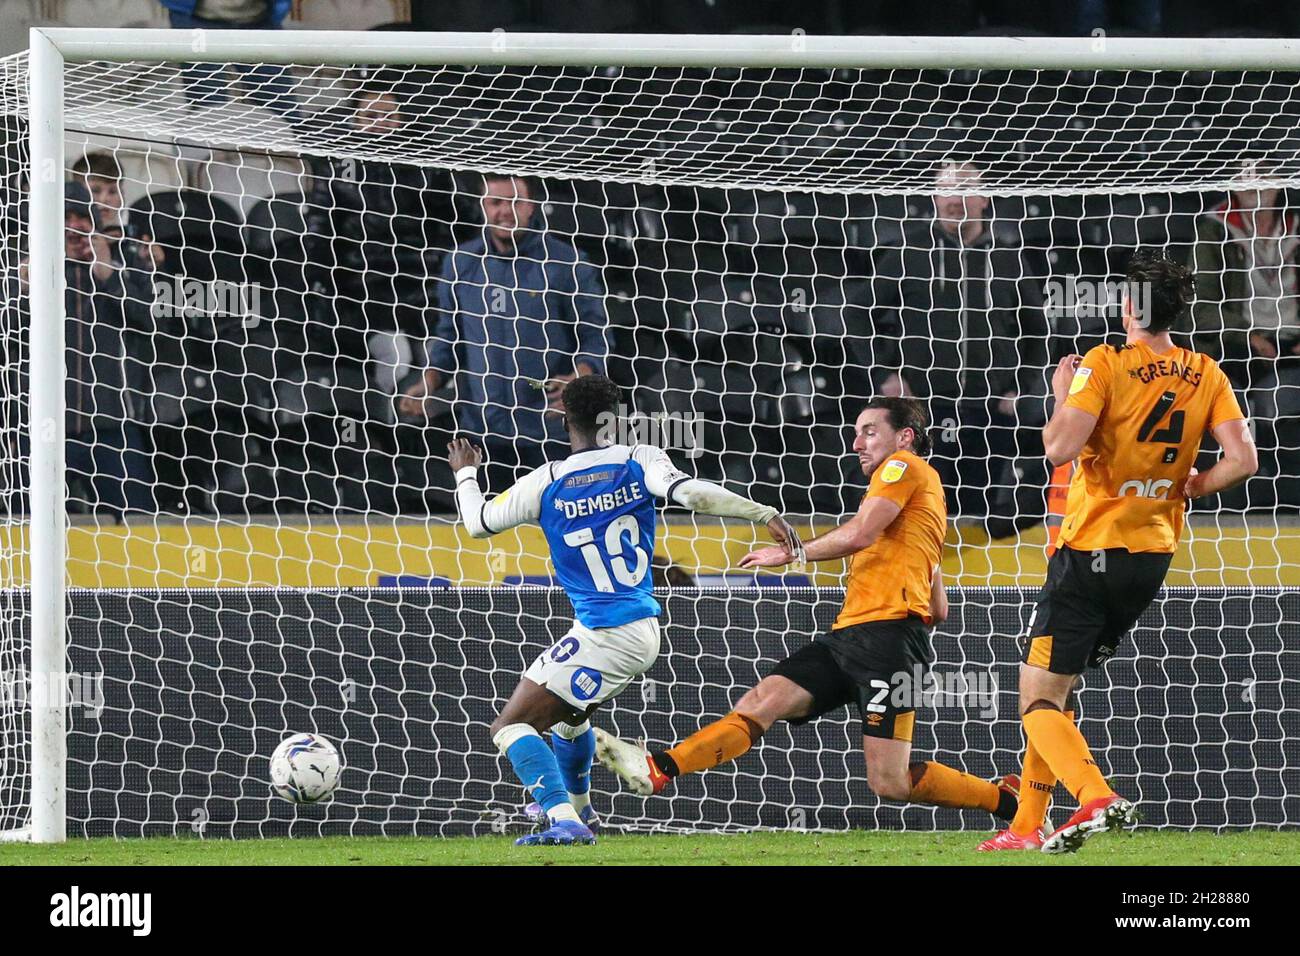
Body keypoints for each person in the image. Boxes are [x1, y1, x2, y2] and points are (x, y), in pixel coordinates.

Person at [596, 398, 1021, 828]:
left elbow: (860, 533)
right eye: (857, 432)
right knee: (764, 700)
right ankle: (661, 768)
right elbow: (939, 609)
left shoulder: (903, 469)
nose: (857, 443)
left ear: (904, 437)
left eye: (870, 431)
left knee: (889, 783)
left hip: (889, 643)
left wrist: (791, 553)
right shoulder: (922, 504)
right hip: (851, 637)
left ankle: (1006, 801)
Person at [450, 375, 801, 846]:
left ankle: (563, 820)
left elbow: (476, 524)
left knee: (510, 726)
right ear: (616, 421)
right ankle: (581, 809)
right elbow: (692, 494)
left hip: (606, 633)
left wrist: (466, 472)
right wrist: (763, 513)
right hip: (638, 626)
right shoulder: (640, 459)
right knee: (570, 719)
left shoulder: (544, 481)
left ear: (562, 417)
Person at [984, 250, 1258, 854]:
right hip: (1151, 554)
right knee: (1058, 693)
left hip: (1090, 549)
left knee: (1034, 698)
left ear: (1130, 307)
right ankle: (1026, 828)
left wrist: (1062, 392)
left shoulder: (1105, 363)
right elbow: (1243, 460)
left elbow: (1058, 448)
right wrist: (1195, 485)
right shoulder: (1207, 371)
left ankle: (1094, 796)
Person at [404, 173, 610, 491]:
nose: (506, 211)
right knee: (490, 533)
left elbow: (597, 335)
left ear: (532, 206)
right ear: (483, 207)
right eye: (496, 202)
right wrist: (430, 381)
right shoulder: (460, 264)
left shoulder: (566, 262)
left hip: (551, 432)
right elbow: (449, 337)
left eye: (516, 201)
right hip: (481, 434)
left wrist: (580, 377)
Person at [870, 159, 1050, 520]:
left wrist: (1020, 388)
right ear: (934, 198)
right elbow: (860, 313)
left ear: (984, 198)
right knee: (918, 512)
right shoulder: (910, 252)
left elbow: (1038, 330)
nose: (955, 199)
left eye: (965, 189)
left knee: (979, 517)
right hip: (923, 411)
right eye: (947, 190)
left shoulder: (1007, 257)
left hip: (989, 413)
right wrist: (885, 375)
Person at [1187, 158, 1300, 390]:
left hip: (1293, 338)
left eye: (1264, 172)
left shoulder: (1296, 226)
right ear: (1233, 184)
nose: (1253, 181)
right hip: (1241, 344)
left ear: (1280, 181)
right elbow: (1200, 309)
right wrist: (1250, 337)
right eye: (1244, 174)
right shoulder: (1214, 231)